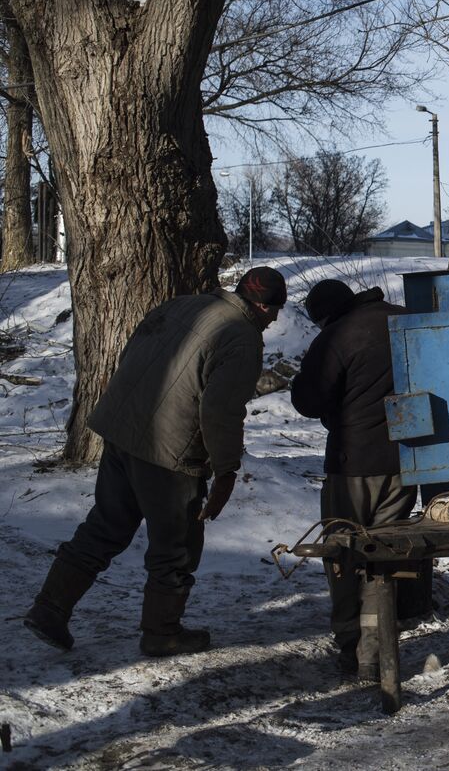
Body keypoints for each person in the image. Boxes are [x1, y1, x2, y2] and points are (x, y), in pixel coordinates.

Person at [23, 266, 286, 656]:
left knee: (105, 526)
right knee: (176, 546)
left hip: (123, 431)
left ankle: (49, 609)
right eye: (275, 311)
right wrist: (226, 472)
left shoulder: (182, 306)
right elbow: (220, 412)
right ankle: (162, 632)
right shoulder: (243, 337)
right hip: (170, 451)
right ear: (264, 306)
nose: (276, 320)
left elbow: (133, 353)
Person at [290, 279, 419, 679]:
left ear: (325, 315)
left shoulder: (337, 336)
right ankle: (379, 649)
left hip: (353, 464)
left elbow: (307, 401)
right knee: (385, 555)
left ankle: (354, 650)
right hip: (406, 459)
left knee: (344, 555)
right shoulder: (406, 320)